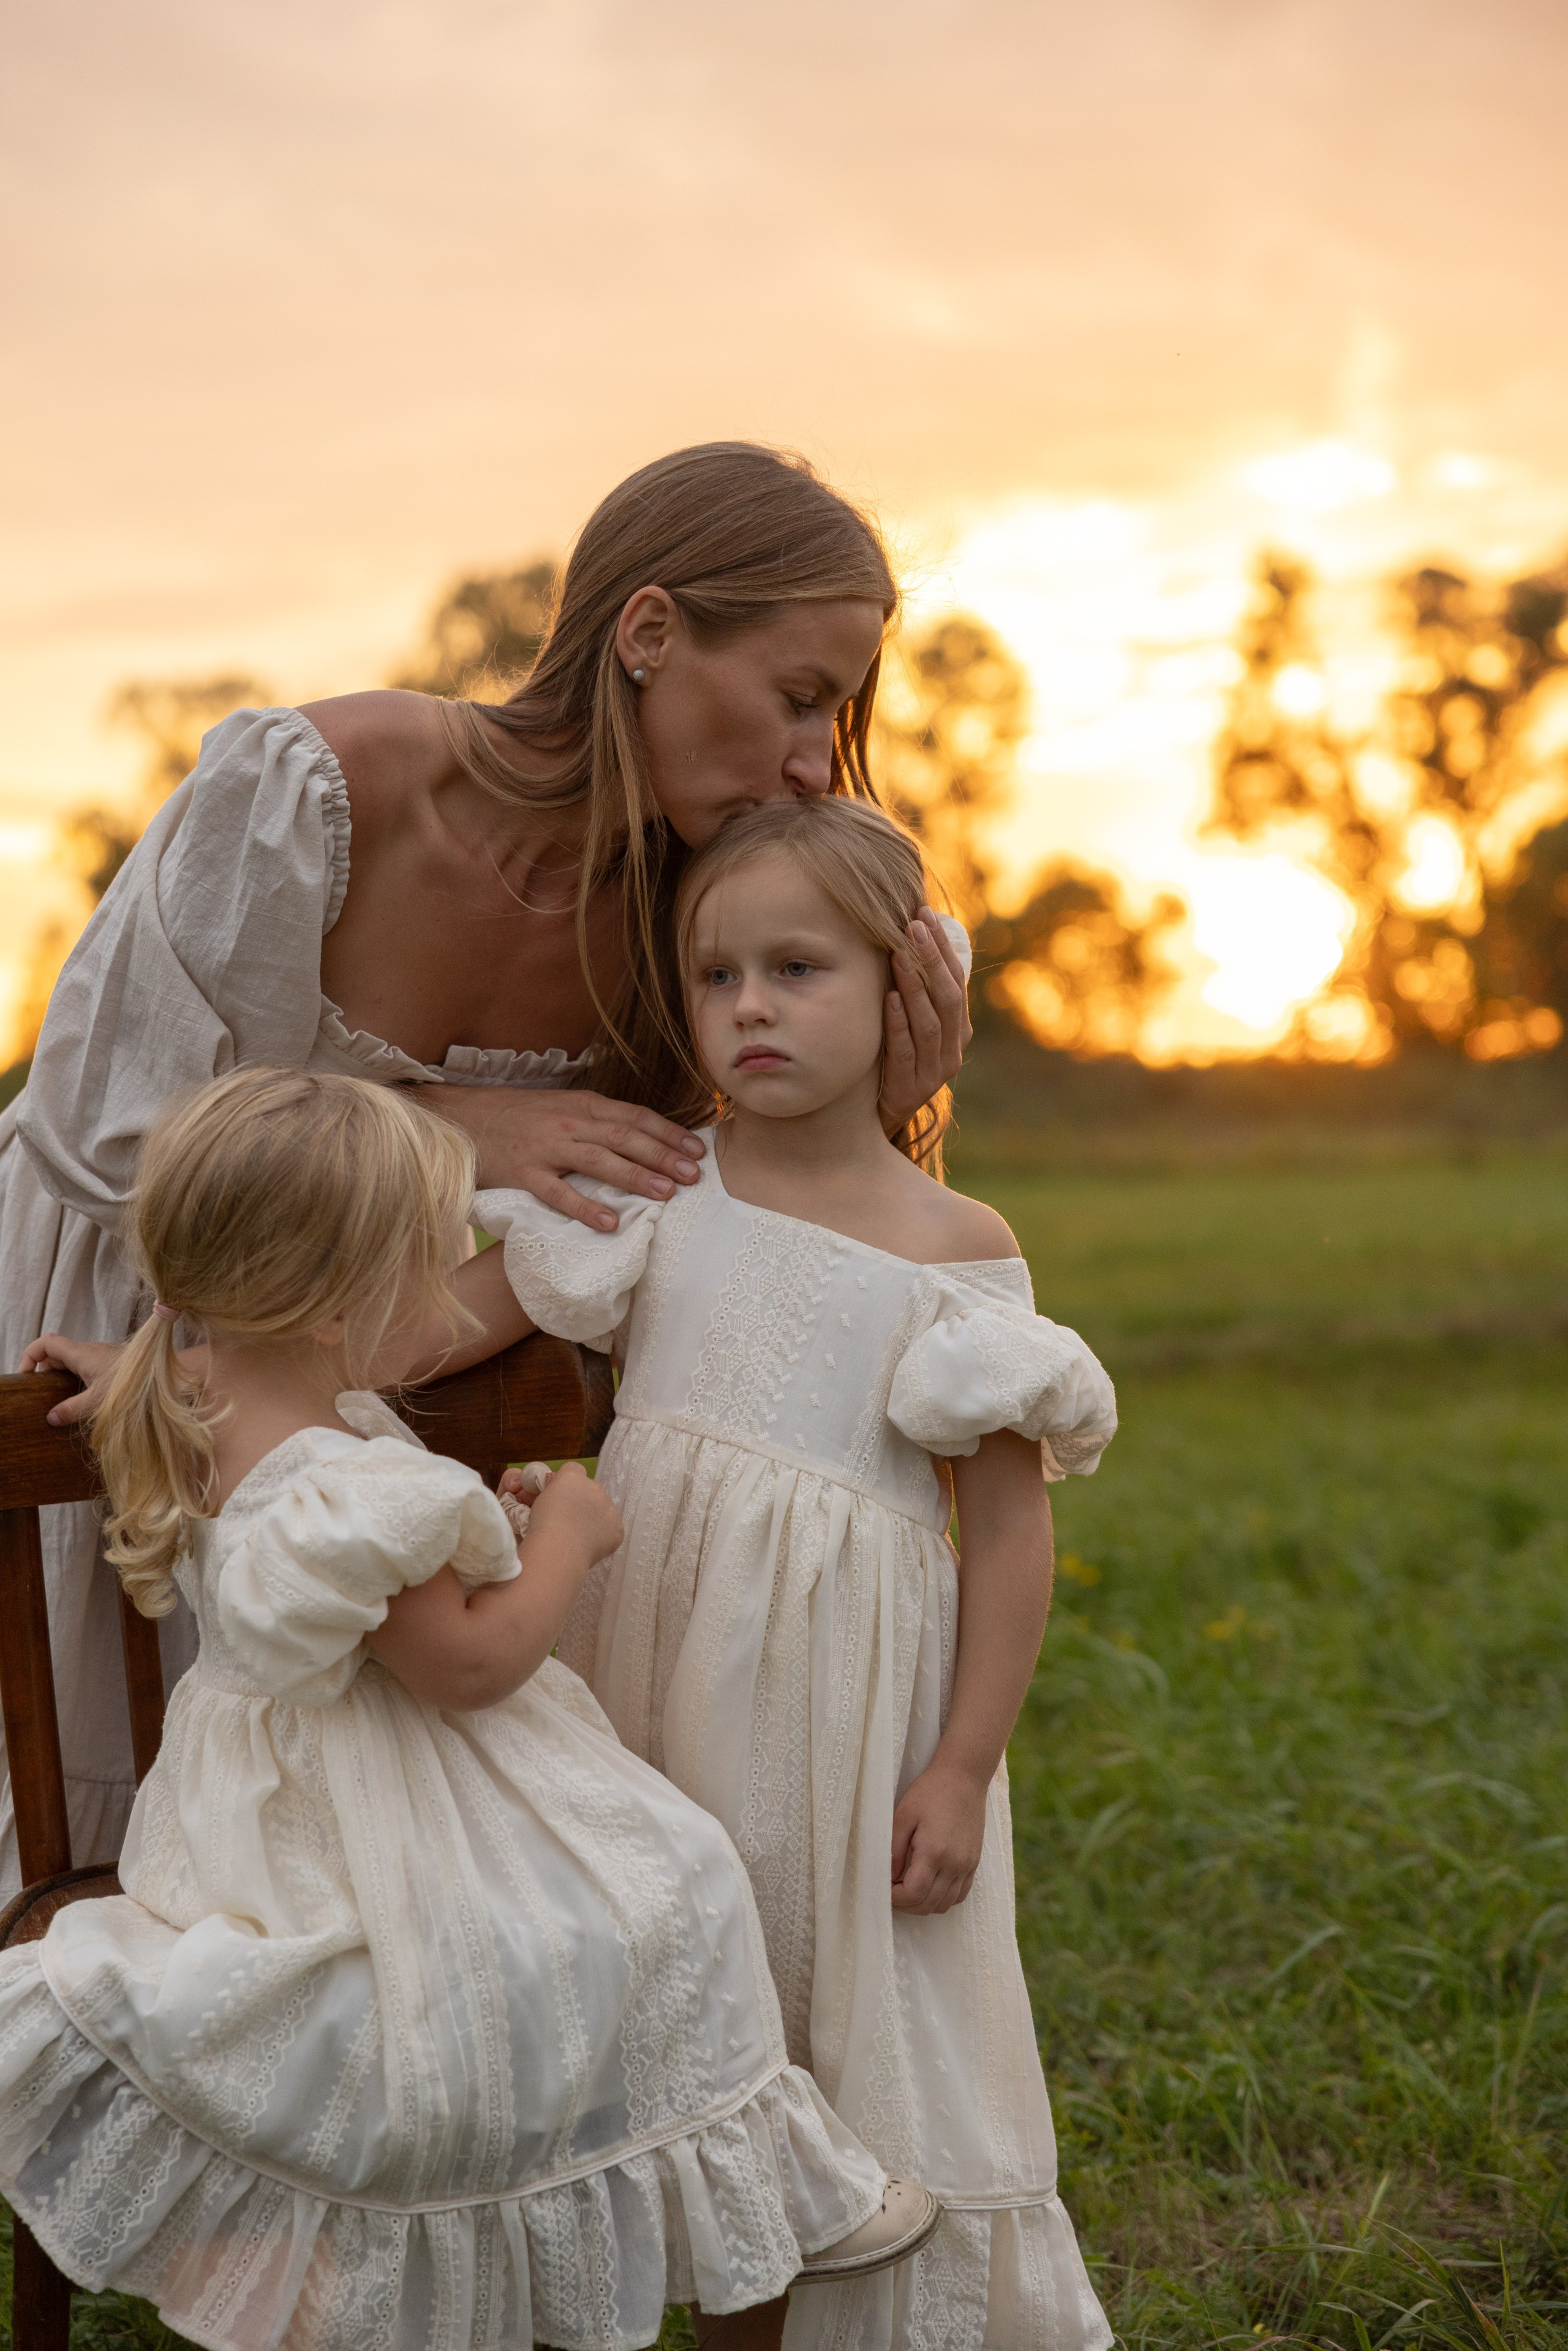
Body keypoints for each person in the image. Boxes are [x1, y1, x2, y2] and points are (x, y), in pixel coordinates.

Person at [1, 440, 969, 1893]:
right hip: (126, 1294)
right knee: (70, 1801)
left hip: (381, 1387)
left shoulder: (692, 922)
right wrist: (445, 1120)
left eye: (829, 714)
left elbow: (693, 1230)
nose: (805, 758)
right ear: (647, 632)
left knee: (292, 1843)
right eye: (795, 695)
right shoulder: (327, 786)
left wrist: (871, 1115)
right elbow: (102, 1122)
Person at [6, 1066, 943, 2351]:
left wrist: (468, 1533)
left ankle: (741, 2180)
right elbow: (465, 1663)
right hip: (372, 1816)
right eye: (430, 1261)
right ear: (341, 1306)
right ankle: (757, 2180)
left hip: (248, 1805)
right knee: (667, 1879)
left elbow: (374, 1589)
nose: (446, 1285)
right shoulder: (342, 1482)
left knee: (628, 1895)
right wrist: (566, 1528)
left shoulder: (188, 1396)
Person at [418, 798, 1120, 2349]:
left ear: (903, 989)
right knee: (641, 2012)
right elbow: (422, 1329)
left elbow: (1006, 1532)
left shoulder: (951, 1246)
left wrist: (960, 1763)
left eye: (795, 967)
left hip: (837, 1721)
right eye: (716, 975)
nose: (747, 1006)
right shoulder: (661, 1189)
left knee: (809, 2039)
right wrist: (163, 1366)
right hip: (639, 1672)